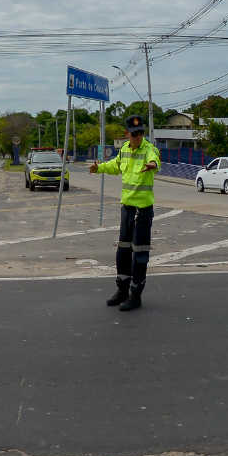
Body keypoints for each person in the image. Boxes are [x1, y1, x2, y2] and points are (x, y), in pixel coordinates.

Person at [90, 115, 161, 312]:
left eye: (140, 133)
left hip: (143, 211)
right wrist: (99, 168)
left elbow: (155, 160)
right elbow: (115, 165)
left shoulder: (149, 149)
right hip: (127, 209)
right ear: (127, 134)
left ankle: (135, 295)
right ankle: (122, 290)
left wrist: (153, 165)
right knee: (123, 251)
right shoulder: (124, 150)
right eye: (134, 133)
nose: (138, 137)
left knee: (139, 253)